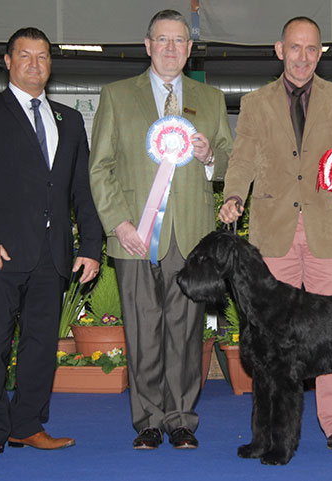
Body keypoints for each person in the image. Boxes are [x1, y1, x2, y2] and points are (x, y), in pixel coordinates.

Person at [219, 16, 332, 456]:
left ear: (320, 53)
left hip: (329, 230)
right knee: (270, 343)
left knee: (331, 335)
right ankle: (268, 430)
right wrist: (233, 195)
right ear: (279, 49)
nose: (303, 57)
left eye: (312, 49)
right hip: (273, 236)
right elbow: (243, 158)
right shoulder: (255, 103)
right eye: (295, 48)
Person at [89, 10, 233, 451]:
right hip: (134, 237)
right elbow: (101, 167)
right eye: (163, 40)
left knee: (187, 332)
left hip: (191, 238)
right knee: (142, 330)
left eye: (180, 41)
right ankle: (148, 420)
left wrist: (211, 157)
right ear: (147, 45)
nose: (171, 48)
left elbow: (230, 159)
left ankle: (181, 419)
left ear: (190, 49)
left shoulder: (211, 99)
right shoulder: (115, 96)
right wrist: (118, 222)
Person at [0, 27, 103, 459]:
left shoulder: (69, 120)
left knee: (40, 347)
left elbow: (81, 189)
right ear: (8, 61)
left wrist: (90, 245)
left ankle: (27, 425)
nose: (35, 64)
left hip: (53, 256)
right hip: (0, 255)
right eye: (25, 56)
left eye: (43, 57)